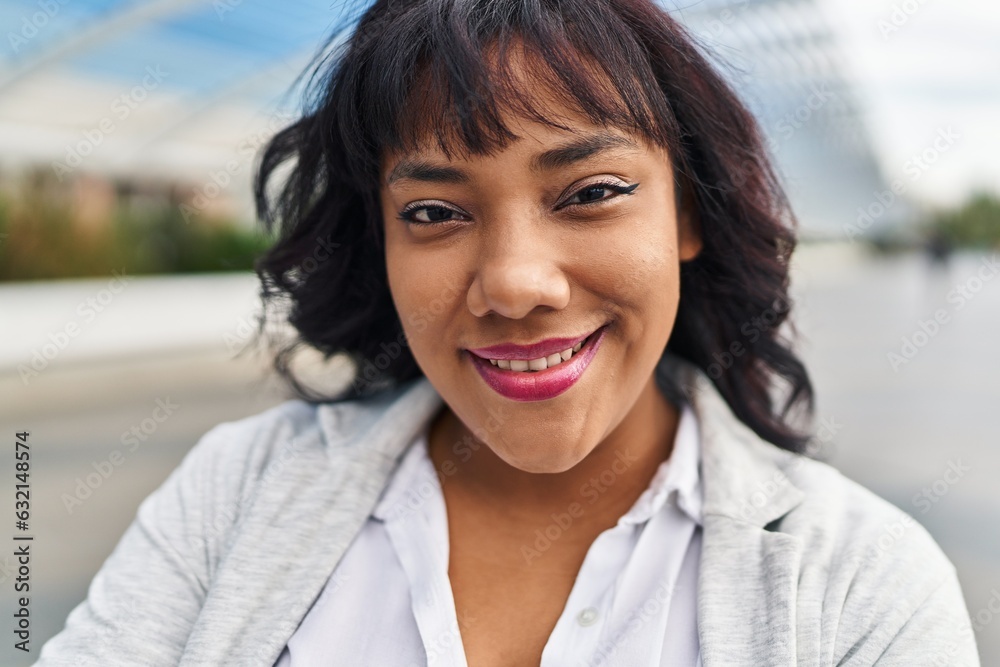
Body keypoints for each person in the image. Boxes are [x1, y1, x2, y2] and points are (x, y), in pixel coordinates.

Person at [36, 0, 979, 665]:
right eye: (436, 212)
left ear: (688, 213)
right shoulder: (235, 494)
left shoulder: (857, 583)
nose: (516, 283)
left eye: (592, 193)